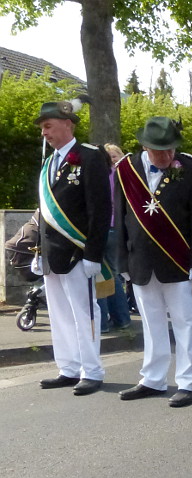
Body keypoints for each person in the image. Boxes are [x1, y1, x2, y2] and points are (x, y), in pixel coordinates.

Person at [115, 116, 192, 408]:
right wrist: (122, 260)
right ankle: (153, 379)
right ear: (145, 146)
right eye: (161, 150)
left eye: (172, 149)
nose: (168, 156)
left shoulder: (191, 168)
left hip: (179, 260)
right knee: (151, 322)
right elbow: (120, 217)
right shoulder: (126, 170)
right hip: (141, 260)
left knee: (185, 323)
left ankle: (188, 382)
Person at [32, 99, 111, 396]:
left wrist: (94, 253)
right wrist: (39, 252)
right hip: (53, 255)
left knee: (85, 313)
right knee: (60, 315)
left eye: (48, 126)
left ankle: (91, 371)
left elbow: (100, 210)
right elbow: (44, 213)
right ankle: (68, 367)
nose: (44, 133)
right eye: (42, 128)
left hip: (79, 253)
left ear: (67, 124)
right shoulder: (49, 162)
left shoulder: (90, 157)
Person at [98, 143, 132, 333]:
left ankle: (103, 321)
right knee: (113, 274)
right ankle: (121, 317)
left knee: (102, 274)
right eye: (109, 156)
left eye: (114, 155)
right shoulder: (126, 176)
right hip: (116, 228)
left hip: (107, 228)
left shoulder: (110, 175)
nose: (112, 159)